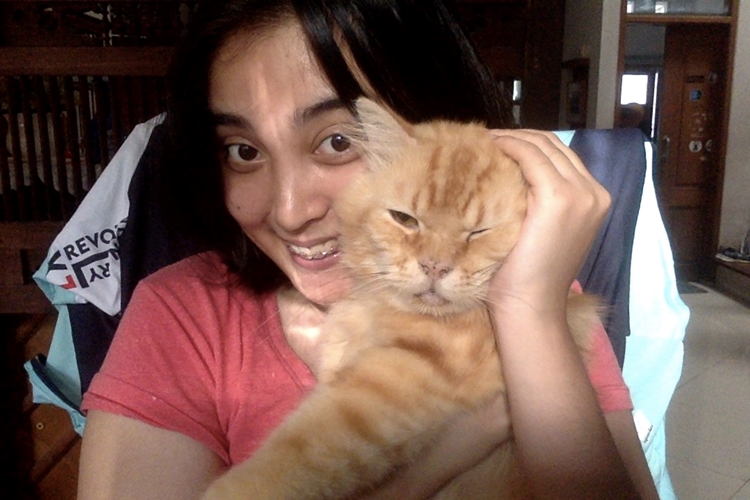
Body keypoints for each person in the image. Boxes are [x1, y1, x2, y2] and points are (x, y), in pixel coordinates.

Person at [77, 1, 660, 498]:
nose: (289, 210)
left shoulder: (533, 293)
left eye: (337, 141)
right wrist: (440, 461)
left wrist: (533, 317)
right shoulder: (181, 314)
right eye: (243, 150)